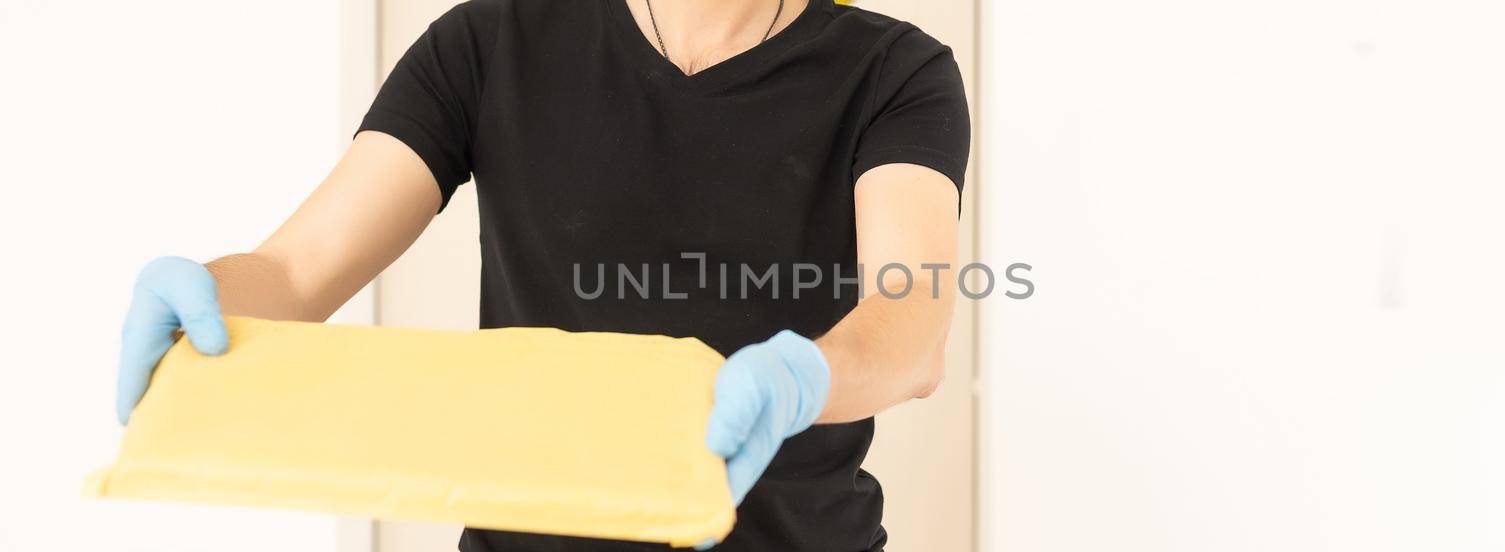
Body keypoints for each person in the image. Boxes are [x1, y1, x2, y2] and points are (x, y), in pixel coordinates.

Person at [113, 0, 969, 550]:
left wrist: (802, 378)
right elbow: (297, 270)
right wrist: (208, 295)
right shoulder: (488, 44)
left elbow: (913, 320)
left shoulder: (894, 72)